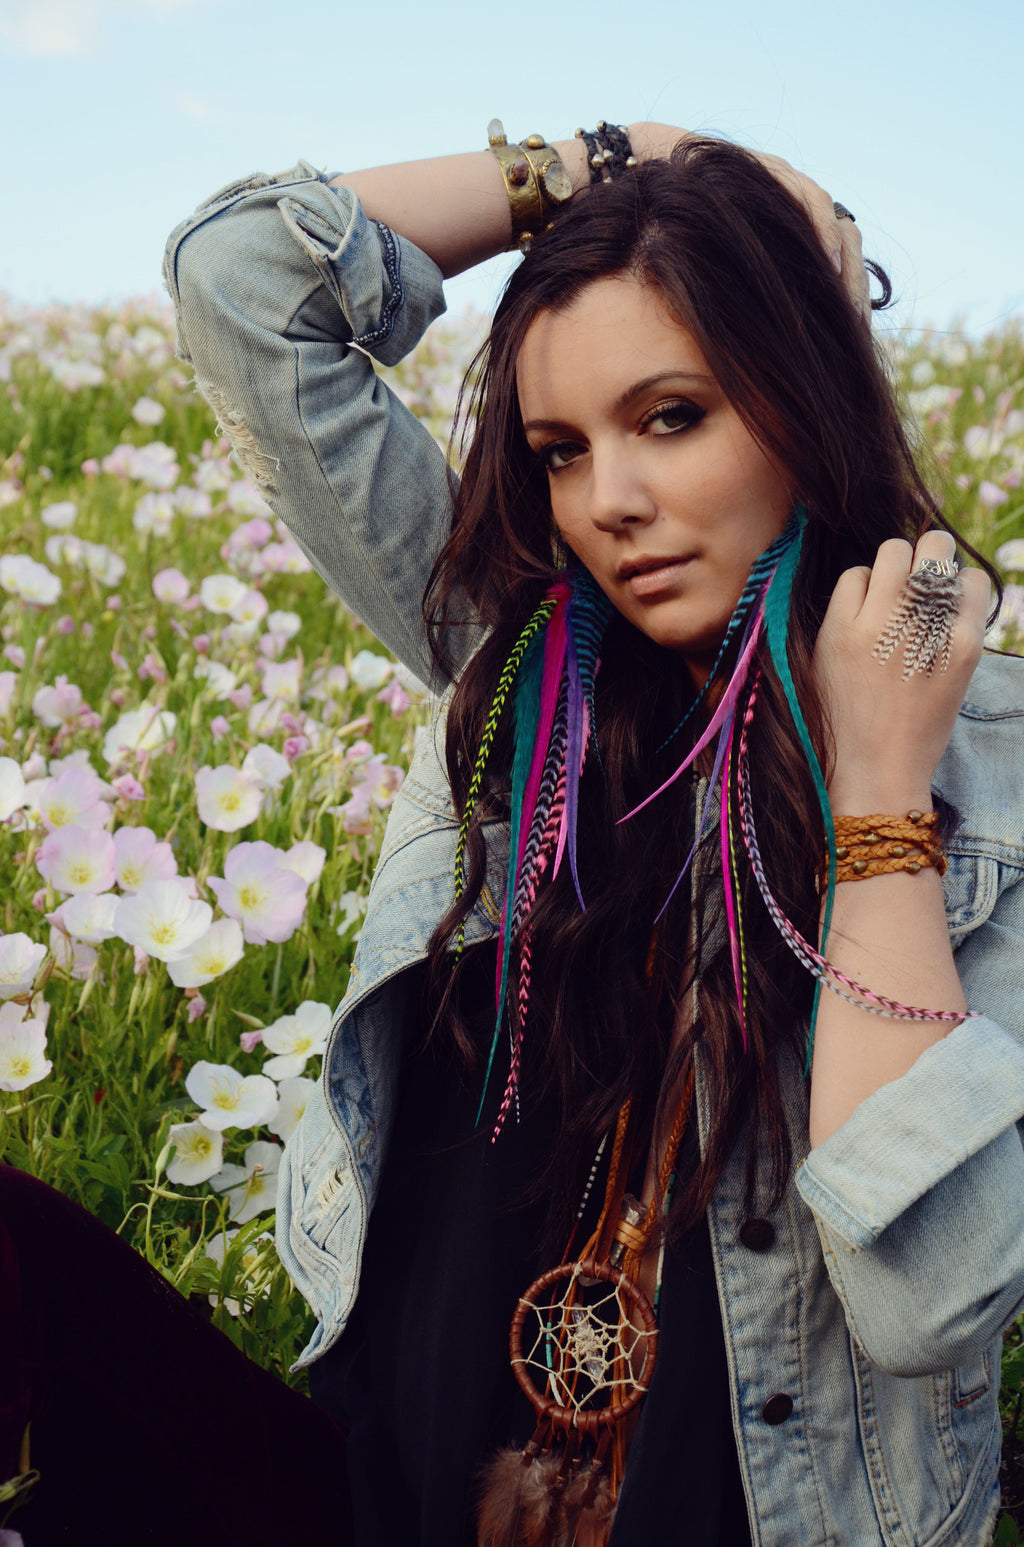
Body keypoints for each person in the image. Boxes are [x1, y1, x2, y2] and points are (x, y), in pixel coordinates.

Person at [159, 123, 1024, 1546]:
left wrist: (879, 799)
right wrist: (624, 156)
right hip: (422, 1474)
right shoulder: (522, 660)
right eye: (562, 449)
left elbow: (929, 1300)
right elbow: (241, 281)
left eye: (673, 416)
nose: (609, 504)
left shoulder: (977, 757)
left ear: (805, 401)